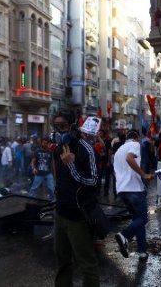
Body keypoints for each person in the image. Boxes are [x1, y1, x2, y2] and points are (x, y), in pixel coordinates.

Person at [53, 111, 100, 287]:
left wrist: (72, 165)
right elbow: (58, 178)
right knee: (62, 262)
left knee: (86, 264)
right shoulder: (58, 149)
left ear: (72, 127)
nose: (59, 130)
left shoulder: (85, 149)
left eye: (63, 126)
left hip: (79, 216)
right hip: (60, 213)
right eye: (56, 126)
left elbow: (93, 182)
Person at [113, 129, 154, 260]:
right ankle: (125, 235)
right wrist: (143, 174)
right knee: (143, 218)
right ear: (136, 137)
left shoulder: (119, 150)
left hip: (122, 190)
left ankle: (142, 251)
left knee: (137, 220)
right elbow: (129, 158)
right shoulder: (135, 145)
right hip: (134, 188)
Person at [28, 136, 56, 201]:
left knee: (52, 189)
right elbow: (33, 161)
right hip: (39, 174)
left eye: (46, 143)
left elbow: (52, 163)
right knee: (34, 188)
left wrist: (54, 174)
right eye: (44, 143)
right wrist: (34, 168)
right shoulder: (37, 151)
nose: (45, 144)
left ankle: (53, 202)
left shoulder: (50, 152)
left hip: (48, 173)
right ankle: (29, 201)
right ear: (41, 143)